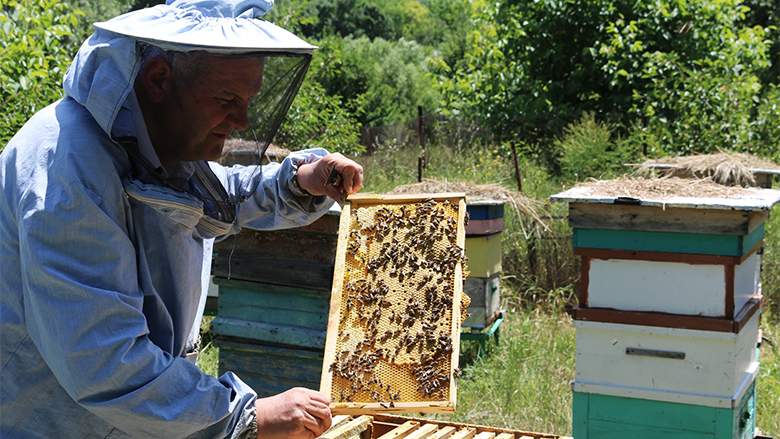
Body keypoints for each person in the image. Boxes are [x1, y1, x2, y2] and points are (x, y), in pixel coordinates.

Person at [0, 1, 362, 437]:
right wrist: (247, 416)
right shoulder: (66, 173)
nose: (243, 119)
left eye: (249, 101)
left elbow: (217, 197)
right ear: (158, 79)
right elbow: (106, 363)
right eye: (228, 100)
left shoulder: (152, 142)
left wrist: (300, 182)